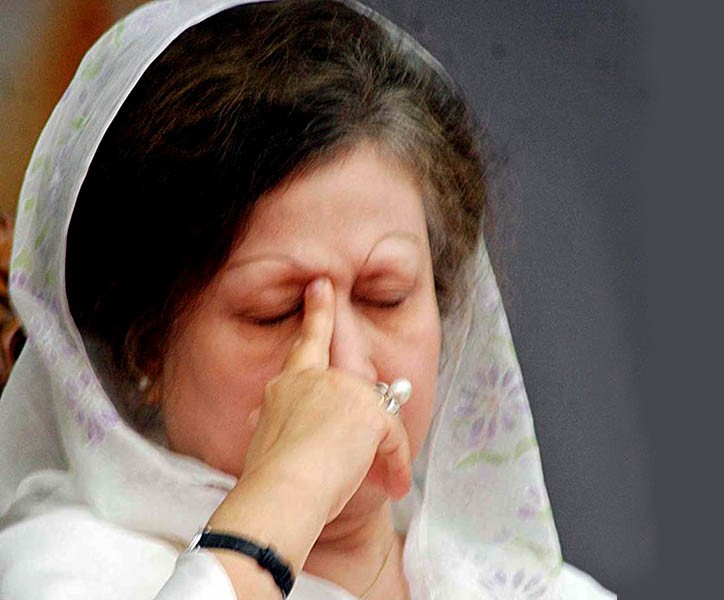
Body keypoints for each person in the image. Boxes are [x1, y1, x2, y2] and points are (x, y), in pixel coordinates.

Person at [0, 1, 615, 598]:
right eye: (274, 312)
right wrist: (291, 489)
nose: (343, 367)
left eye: (385, 298)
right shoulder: (68, 565)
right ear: (147, 350)